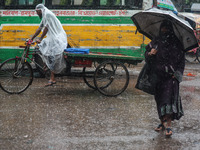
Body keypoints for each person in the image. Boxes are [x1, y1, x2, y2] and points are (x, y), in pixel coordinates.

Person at [144, 20, 185, 137]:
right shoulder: (156, 41)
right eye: (162, 28)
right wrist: (150, 54)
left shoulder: (177, 44)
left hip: (171, 78)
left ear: (170, 29)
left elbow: (181, 62)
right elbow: (146, 56)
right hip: (158, 77)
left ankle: (169, 126)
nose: (164, 31)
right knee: (160, 101)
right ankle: (162, 123)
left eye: (166, 29)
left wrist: (177, 74)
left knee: (168, 101)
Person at [29, 4, 67, 86]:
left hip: (58, 38)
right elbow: (40, 28)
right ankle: (46, 65)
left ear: (40, 10)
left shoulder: (48, 14)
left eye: (37, 12)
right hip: (52, 37)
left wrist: (40, 39)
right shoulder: (45, 15)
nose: (37, 14)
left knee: (52, 56)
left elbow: (46, 28)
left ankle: (52, 78)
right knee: (40, 48)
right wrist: (31, 38)